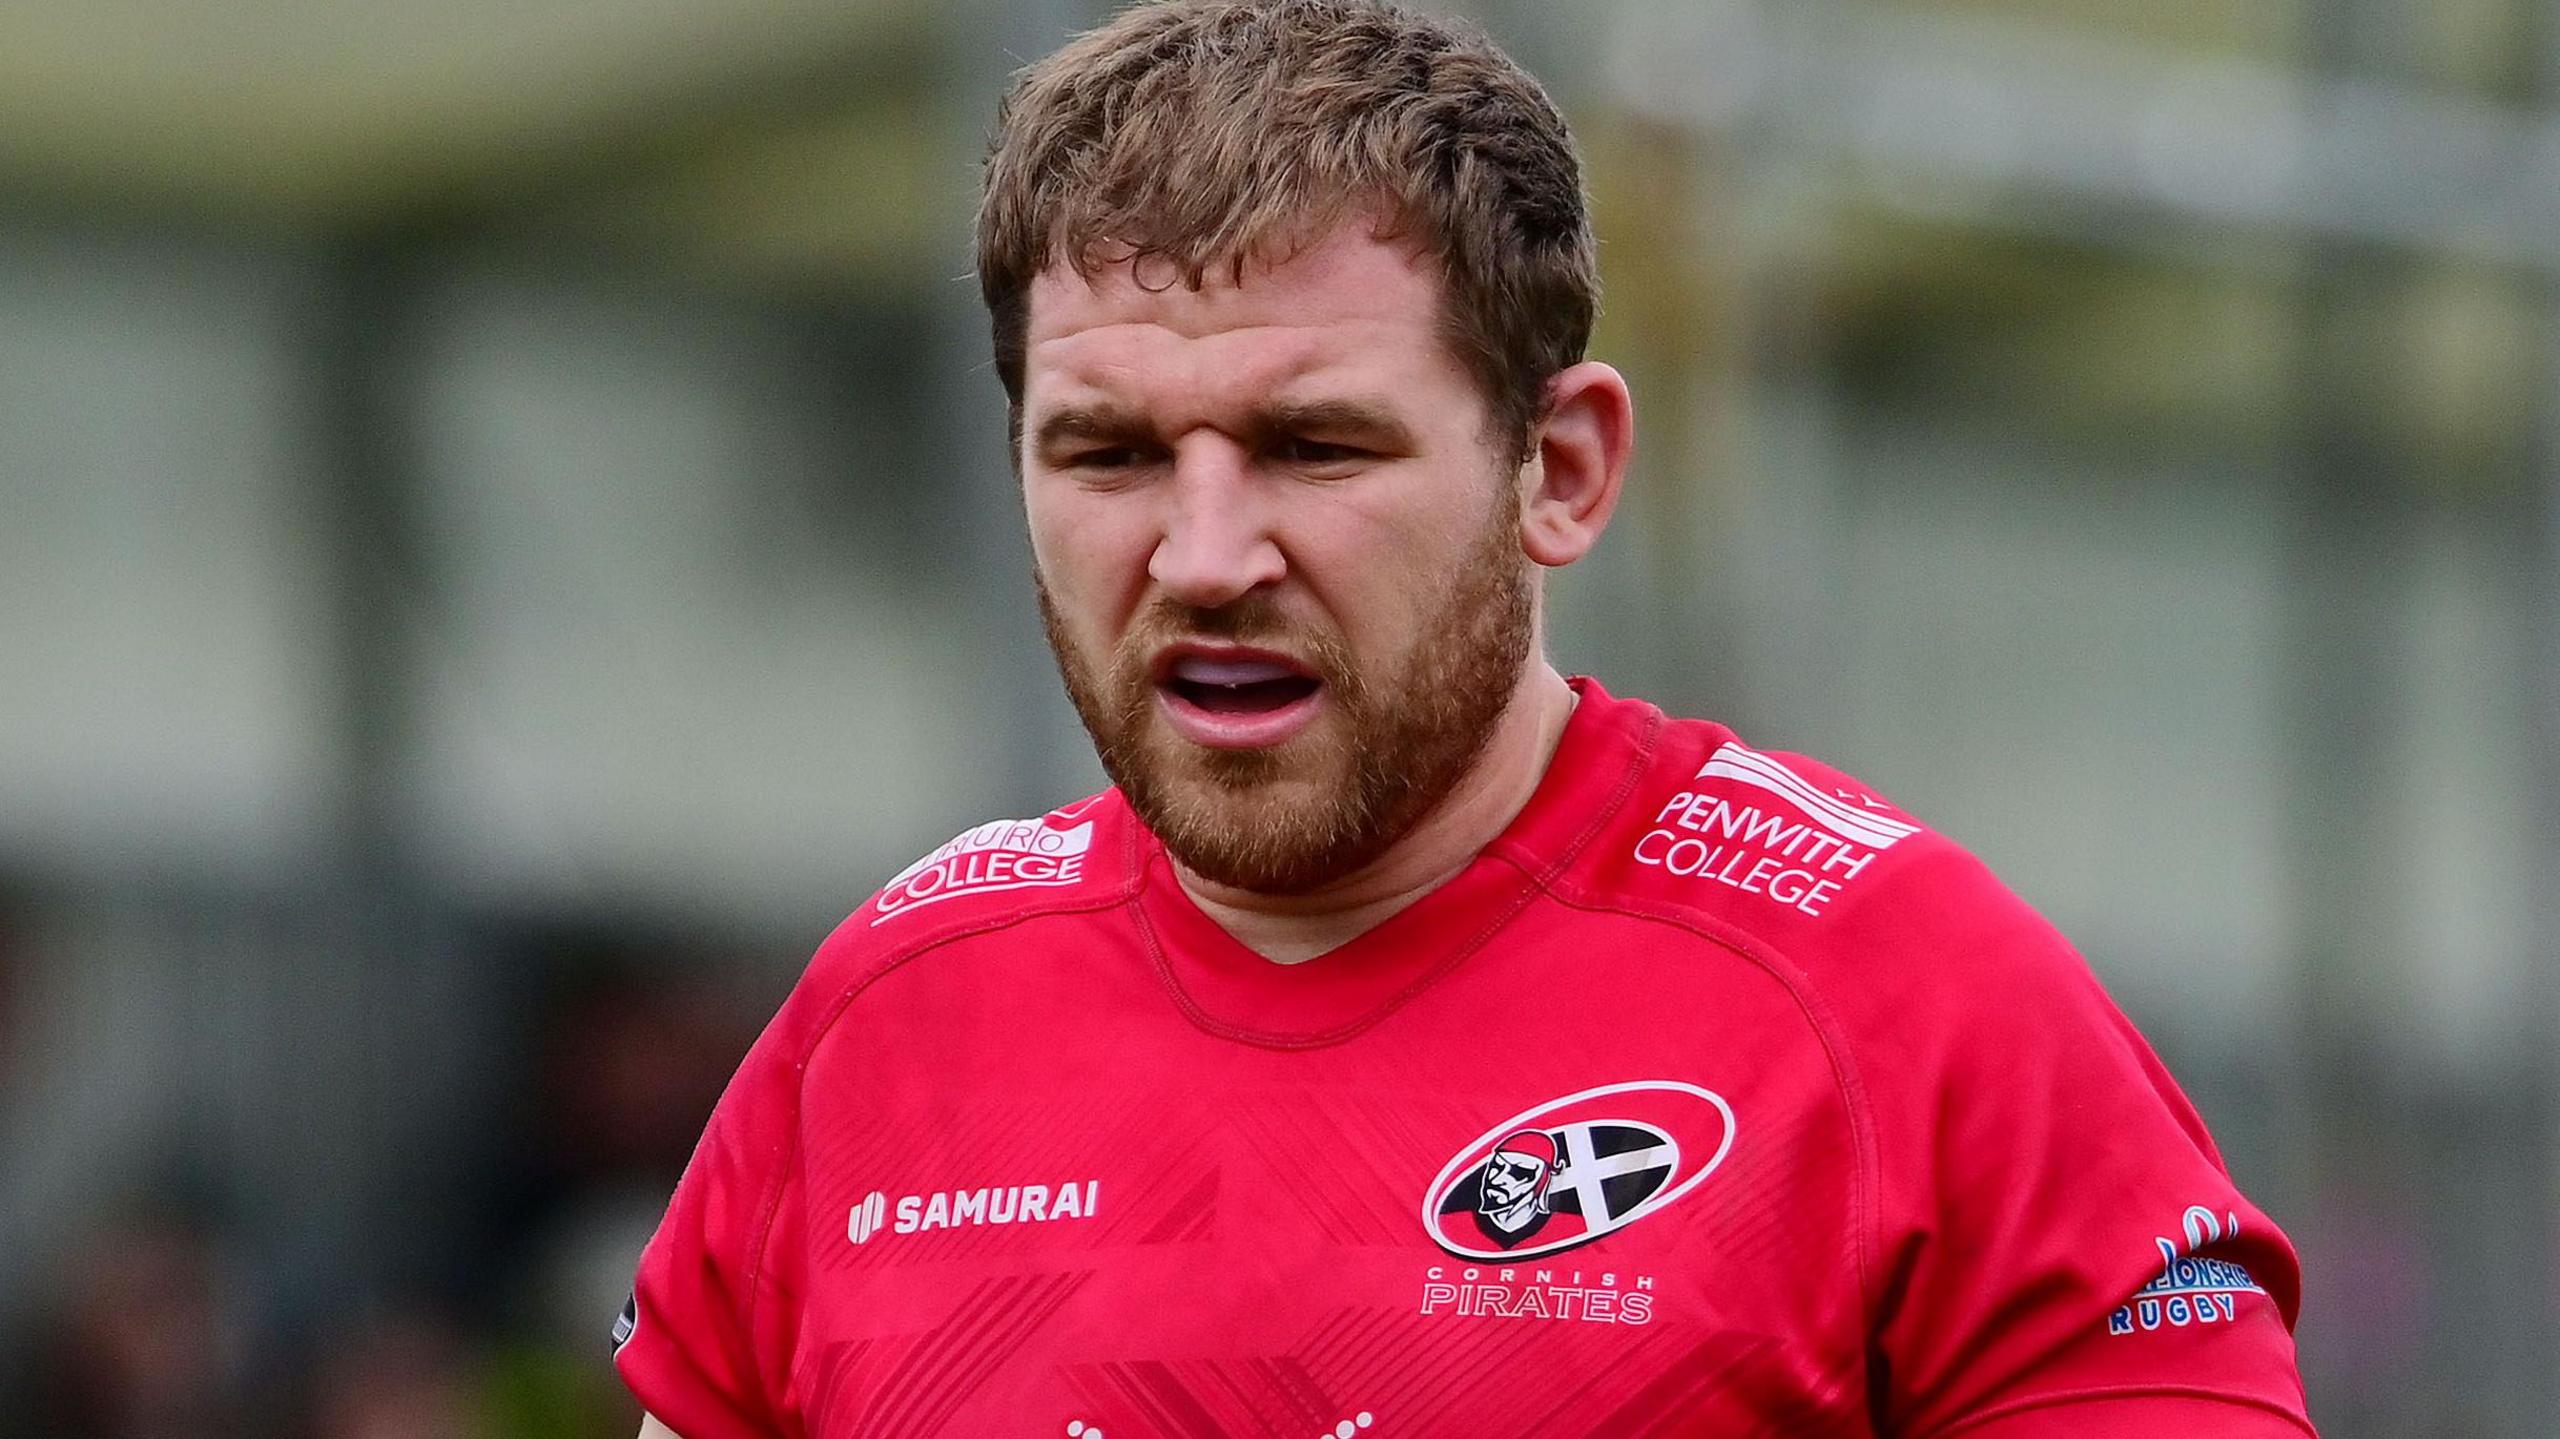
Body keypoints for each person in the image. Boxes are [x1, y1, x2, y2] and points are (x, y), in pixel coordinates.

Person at [615, 1, 2317, 1433]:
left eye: (1317, 447)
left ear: (1557, 470)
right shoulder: (883, 1029)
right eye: (1110, 453)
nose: (1204, 558)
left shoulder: (1901, 999)